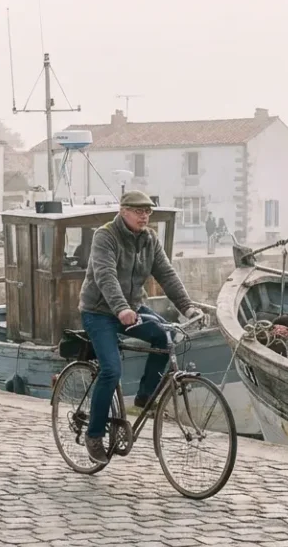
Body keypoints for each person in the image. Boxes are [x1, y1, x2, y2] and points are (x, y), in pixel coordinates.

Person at [78, 190, 201, 464]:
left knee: (165, 337)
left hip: (131, 309)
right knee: (111, 370)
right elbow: (105, 274)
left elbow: (167, 274)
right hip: (99, 312)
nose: (144, 216)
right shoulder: (105, 236)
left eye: (148, 212)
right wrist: (120, 308)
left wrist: (188, 307)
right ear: (123, 211)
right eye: (138, 211)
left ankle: (145, 397)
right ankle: (94, 435)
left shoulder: (149, 240)